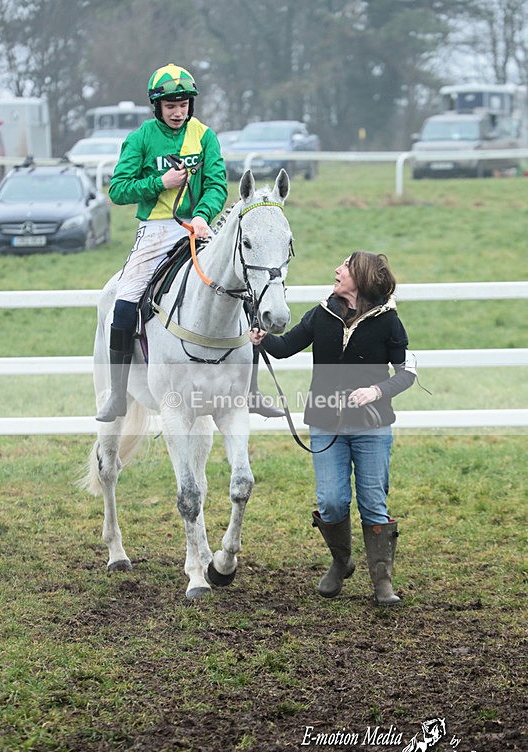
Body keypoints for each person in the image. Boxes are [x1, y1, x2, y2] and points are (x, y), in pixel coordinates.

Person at [96, 62, 281, 422]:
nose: (177, 111)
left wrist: (202, 216)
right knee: (124, 302)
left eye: (183, 105)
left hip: (197, 227)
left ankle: (252, 389)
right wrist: (159, 183)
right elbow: (118, 189)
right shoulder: (141, 138)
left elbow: (215, 184)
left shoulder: (205, 136)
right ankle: (119, 394)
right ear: (157, 107)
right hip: (155, 231)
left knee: (241, 294)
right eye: (170, 106)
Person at [250, 250, 416, 604]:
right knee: (332, 501)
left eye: (345, 267)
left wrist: (376, 390)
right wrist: (262, 338)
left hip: (372, 426)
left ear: (363, 278)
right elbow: (284, 348)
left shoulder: (388, 321)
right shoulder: (320, 315)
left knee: (373, 501)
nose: (336, 270)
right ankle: (341, 561)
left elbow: (406, 373)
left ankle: (382, 580)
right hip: (325, 424)